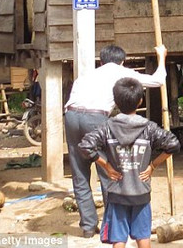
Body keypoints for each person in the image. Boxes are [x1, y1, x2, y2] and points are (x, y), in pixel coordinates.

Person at [64, 43, 168, 238]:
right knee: (108, 171)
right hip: (95, 118)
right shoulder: (121, 72)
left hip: (71, 116)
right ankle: (111, 223)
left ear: (101, 61)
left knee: (79, 172)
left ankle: (87, 226)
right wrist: (162, 56)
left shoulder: (86, 75)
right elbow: (158, 80)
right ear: (122, 61)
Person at [79, 78, 180, 248]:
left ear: (116, 102)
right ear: (140, 100)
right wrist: (152, 166)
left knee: (118, 239)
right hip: (141, 191)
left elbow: (85, 146)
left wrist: (106, 165)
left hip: (117, 192)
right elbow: (173, 144)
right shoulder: (149, 128)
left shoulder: (107, 127)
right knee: (143, 237)